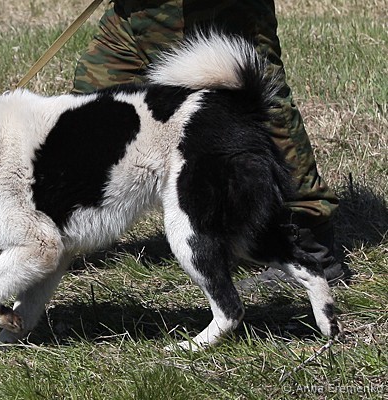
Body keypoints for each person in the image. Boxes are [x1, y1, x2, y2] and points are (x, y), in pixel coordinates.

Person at [72, 0, 345, 289]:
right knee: (93, 103)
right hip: (137, 8)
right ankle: (67, 227)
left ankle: (306, 240)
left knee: (248, 96)